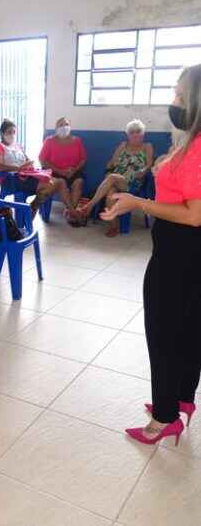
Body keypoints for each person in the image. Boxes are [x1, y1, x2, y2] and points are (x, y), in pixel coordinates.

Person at [100, 64, 201, 446]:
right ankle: (181, 400)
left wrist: (138, 202)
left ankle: (164, 418)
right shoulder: (192, 145)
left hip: (178, 252)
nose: (173, 102)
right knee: (190, 329)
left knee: (162, 333)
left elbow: (194, 214)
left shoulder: (195, 150)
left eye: (179, 96)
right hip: (191, 253)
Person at [80, 119, 154, 237]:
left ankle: (90, 205)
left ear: (143, 133)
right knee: (110, 193)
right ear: (128, 134)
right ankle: (113, 226)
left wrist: (143, 171)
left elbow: (149, 164)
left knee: (112, 177)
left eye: (138, 131)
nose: (135, 134)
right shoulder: (123, 145)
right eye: (132, 132)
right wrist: (109, 165)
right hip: (116, 178)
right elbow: (113, 162)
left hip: (134, 180)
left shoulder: (147, 147)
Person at [0, 119, 63, 218]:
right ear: (2, 133)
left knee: (58, 182)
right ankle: (33, 208)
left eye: (14, 132)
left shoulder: (18, 147)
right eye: (9, 132)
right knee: (49, 184)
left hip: (26, 176)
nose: (12, 135)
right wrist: (18, 168)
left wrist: (29, 164)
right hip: (11, 179)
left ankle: (33, 206)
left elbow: (27, 160)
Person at [39, 117, 87, 224]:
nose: (64, 127)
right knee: (62, 183)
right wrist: (60, 171)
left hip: (74, 172)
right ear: (56, 128)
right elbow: (42, 160)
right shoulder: (49, 141)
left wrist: (74, 170)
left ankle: (70, 212)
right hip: (55, 172)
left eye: (66, 125)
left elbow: (83, 159)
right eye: (61, 125)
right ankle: (74, 213)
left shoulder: (77, 141)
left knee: (79, 182)